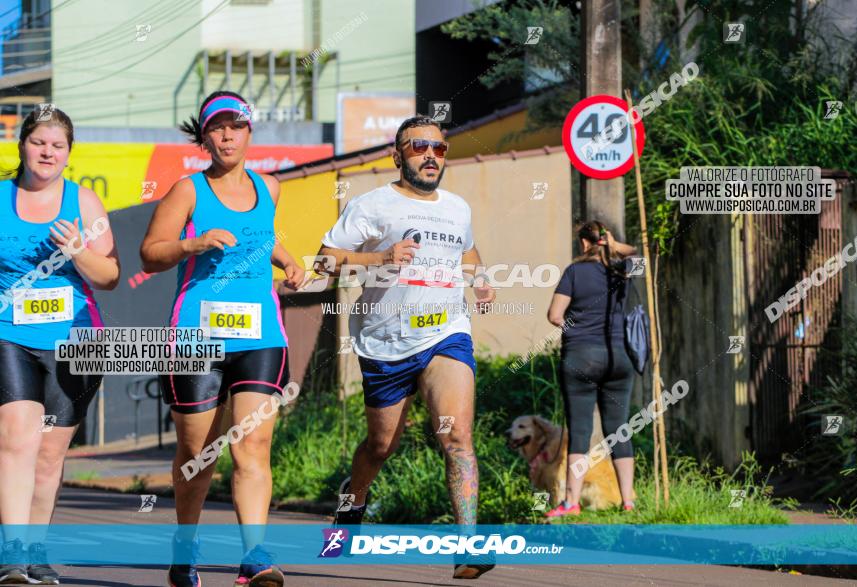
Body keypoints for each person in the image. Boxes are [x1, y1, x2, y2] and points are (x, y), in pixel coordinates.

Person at [315, 114, 496, 580]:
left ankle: (468, 546)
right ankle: (350, 508)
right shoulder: (372, 205)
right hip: (385, 343)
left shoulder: (456, 208)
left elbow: (467, 252)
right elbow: (324, 260)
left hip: (446, 333)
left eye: (439, 148)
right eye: (419, 147)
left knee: (456, 437)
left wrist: (481, 281)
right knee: (380, 447)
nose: (431, 155)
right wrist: (380, 256)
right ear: (398, 156)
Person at [140, 91, 305, 587]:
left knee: (252, 445)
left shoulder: (270, 187)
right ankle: (185, 546)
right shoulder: (188, 191)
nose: (228, 135)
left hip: (260, 333)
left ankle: (255, 556)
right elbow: (150, 253)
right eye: (218, 127)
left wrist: (289, 261)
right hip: (197, 335)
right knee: (198, 454)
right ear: (205, 137)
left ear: (249, 132)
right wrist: (193, 241)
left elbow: (262, 235)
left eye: (237, 126)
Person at [0, 107, 120, 584]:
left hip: (77, 340)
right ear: (22, 146)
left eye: (57, 145)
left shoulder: (84, 203)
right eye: (38, 142)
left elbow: (110, 275)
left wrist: (77, 251)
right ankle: (11, 555)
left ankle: (34, 552)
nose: (47, 152)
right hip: (10, 333)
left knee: (50, 454)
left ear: (68, 155)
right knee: (16, 438)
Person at [545, 220, 639, 518]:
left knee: (581, 431)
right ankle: (628, 501)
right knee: (619, 429)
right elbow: (639, 254)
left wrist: (575, 327)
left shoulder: (574, 272)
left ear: (584, 243)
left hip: (581, 358)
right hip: (618, 358)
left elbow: (554, 315)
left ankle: (571, 502)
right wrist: (614, 247)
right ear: (605, 242)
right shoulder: (621, 271)